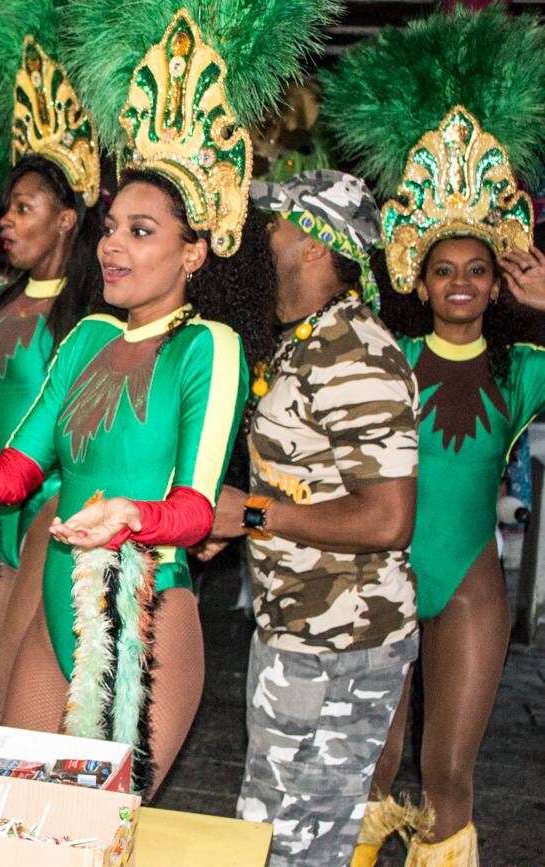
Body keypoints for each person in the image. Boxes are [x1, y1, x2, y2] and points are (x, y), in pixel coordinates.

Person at [0, 3, 306, 795]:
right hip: (53, 599)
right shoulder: (82, 340)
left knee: (101, 830)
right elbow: (10, 474)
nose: (112, 244)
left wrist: (130, 515)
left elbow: (200, 509)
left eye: (142, 231)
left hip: (144, 616)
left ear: (195, 250)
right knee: (18, 816)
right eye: (112, 227)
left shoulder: (207, 346)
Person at [317, 8, 545, 864]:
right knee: (371, 769)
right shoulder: (390, 354)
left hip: (473, 585)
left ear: (497, 282)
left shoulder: (520, 368)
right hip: (381, 579)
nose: (459, 282)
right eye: (444, 268)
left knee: (449, 770)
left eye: (476, 270)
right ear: (423, 276)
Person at [196, 170, 421, 866]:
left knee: (305, 846)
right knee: (269, 832)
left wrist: (254, 513)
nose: (267, 235)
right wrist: (238, 521)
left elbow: (388, 518)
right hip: (299, 630)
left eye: (282, 223)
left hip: (343, 642)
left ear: (319, 244)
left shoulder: (355, 350)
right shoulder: (305, 340)